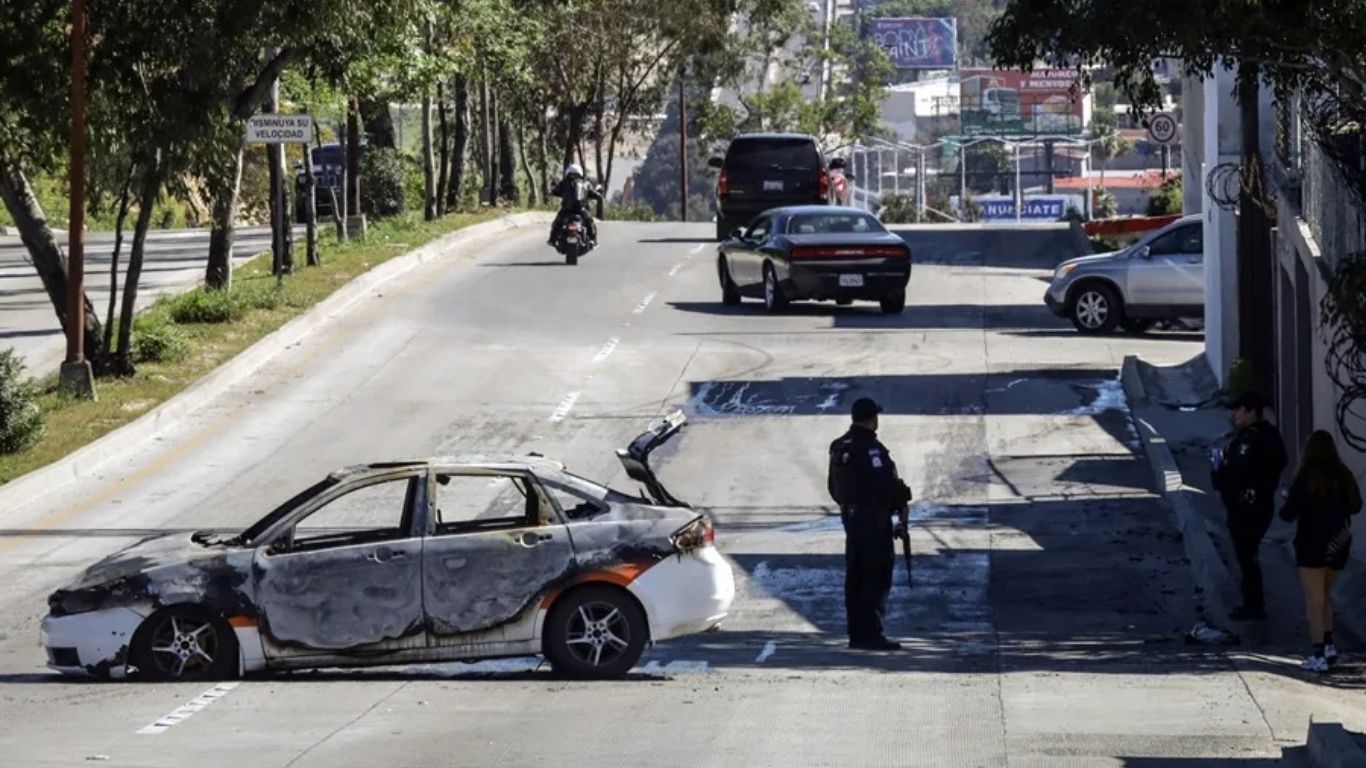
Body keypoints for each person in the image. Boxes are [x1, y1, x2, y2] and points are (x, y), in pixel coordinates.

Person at [828, 397, 912, 651]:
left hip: (851, 519)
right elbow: (882, 485)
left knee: (856, 576)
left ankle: (857, 633)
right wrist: (902, 497)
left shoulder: (840, 446)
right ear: (872, 419)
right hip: (872, 520)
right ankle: (871, 634)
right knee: (876, 575)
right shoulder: (870, 448)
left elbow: (833, 487)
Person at [1279, 430, 1361, 672]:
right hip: (1339, 542)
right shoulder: (1343, 474)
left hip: (1312, 542)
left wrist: (1289, 499)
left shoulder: (1306, 476)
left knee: (1314, 600)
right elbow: (1356, 506)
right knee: (1325, 594)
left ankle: (1318, 654)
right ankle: (1329, 645)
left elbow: (1288, 513)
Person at [1210, 391, 1288, 621]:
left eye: (1239, 410)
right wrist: (1217, 467)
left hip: (1253, 506)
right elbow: (1228, 468)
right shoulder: (1241, 437)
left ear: (1251, 411)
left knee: (1248, 554)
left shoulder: (1266, 438)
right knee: (1244, 555)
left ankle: (1254, 605)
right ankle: (1251, 602)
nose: (1235, 415)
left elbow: (1273, 466)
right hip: (1237, 505)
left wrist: (1254, 486)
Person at [548, 164, 602, 246]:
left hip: (567, 209)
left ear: (568, 173)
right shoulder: (586, 184)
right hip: (581, 209)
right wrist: (598, 195)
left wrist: (554, 192)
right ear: (580, 173)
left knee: (557, 223)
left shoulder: (564, 183)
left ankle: (552, 240)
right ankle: (593, 240)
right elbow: (594, 194)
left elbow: (555, 191)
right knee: (590, 222)